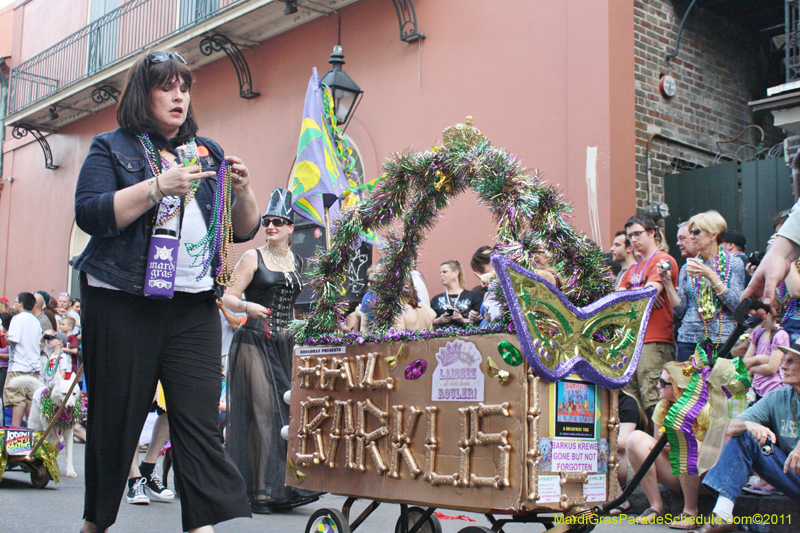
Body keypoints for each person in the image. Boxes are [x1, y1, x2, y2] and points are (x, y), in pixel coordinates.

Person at [73, 50, 259, 533]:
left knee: (198, 424)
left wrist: (242, 192)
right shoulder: (110, 147)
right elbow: (90, 214)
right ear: (144, 94)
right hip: (123, 303)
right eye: (166, 87)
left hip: (193, 307)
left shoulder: (208, 152)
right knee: (116, 425)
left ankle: (203, 526)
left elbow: (241, 230)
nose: (179, 96)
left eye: (185, 87)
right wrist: (157, 187)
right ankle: (96, 523)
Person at [223, 188, 320, 514]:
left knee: (287, 416)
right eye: (267, 222)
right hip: (252, 340)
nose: (271, 227)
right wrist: (248, 306)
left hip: (284, 344)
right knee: (263, 415)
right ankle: (261, 491)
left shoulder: (299, 262)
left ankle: (284, 487)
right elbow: (228, 297)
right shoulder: (254, 257)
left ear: (292, 228)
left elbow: (298, 307)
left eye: (278, 222)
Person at [689, 340, 800, 533]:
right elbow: (731, 428)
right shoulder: (778, 397)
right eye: (784, 360)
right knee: (745, 436)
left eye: (790, 361)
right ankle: (722, 515)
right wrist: (749, 424)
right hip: (792, 474)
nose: (783, 366)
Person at [627, 362, 710, 527]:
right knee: (634, 439)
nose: (658, 386)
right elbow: (655, 449)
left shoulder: (705, 408)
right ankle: (656, 507)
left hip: (706, 478)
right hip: (676, 474)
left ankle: (690, 512)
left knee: (684, 440)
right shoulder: (662, 406)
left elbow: (720, 454)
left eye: (663, 383)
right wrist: (666, 446)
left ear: (678, 386)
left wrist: (692, 444)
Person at [660, 210, 745, 363]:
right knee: (688, 387)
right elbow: (680, 310)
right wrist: (667, 284)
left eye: (696, 232)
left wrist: (710, 275)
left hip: (721, 340)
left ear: (713, 234)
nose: (691, 236)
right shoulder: (688, 267)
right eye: (691, 232)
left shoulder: (734, 263)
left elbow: (737, 305)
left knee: (718, 387)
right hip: (688, 339)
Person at [617, 215, 678, 421]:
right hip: (632, 340)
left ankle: (657, 447)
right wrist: (642, 294)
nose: (633, 240)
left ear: (652, 233)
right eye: (629, 236)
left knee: (655, 398)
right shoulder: (632, 268)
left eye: (637, 234)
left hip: (655, 339)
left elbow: (647, 294)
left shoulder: (663, 260)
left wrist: (641, 294)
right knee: (632, 398)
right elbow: (617, 299)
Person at [3, 292, 43, 428]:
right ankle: (31, 430)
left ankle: (16, 430)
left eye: (15, 301)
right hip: (34, 366)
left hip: (18, 365)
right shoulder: (35, 320)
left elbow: (14, 339)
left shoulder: (17, 319)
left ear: (21, 303)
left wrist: (4, 336)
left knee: (17, 400)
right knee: (30, 399)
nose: (14, 304)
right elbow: (39, 343)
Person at [430, 260, 482, 328]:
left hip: (467, 337)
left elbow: (481, 321)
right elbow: (426, 321)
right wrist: (438, 321)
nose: (441, 275)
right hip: (442, 337)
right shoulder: (436, 299)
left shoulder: (472, 297)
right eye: (440, 273)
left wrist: (463, 320)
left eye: (444, 272)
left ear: (456, 273)